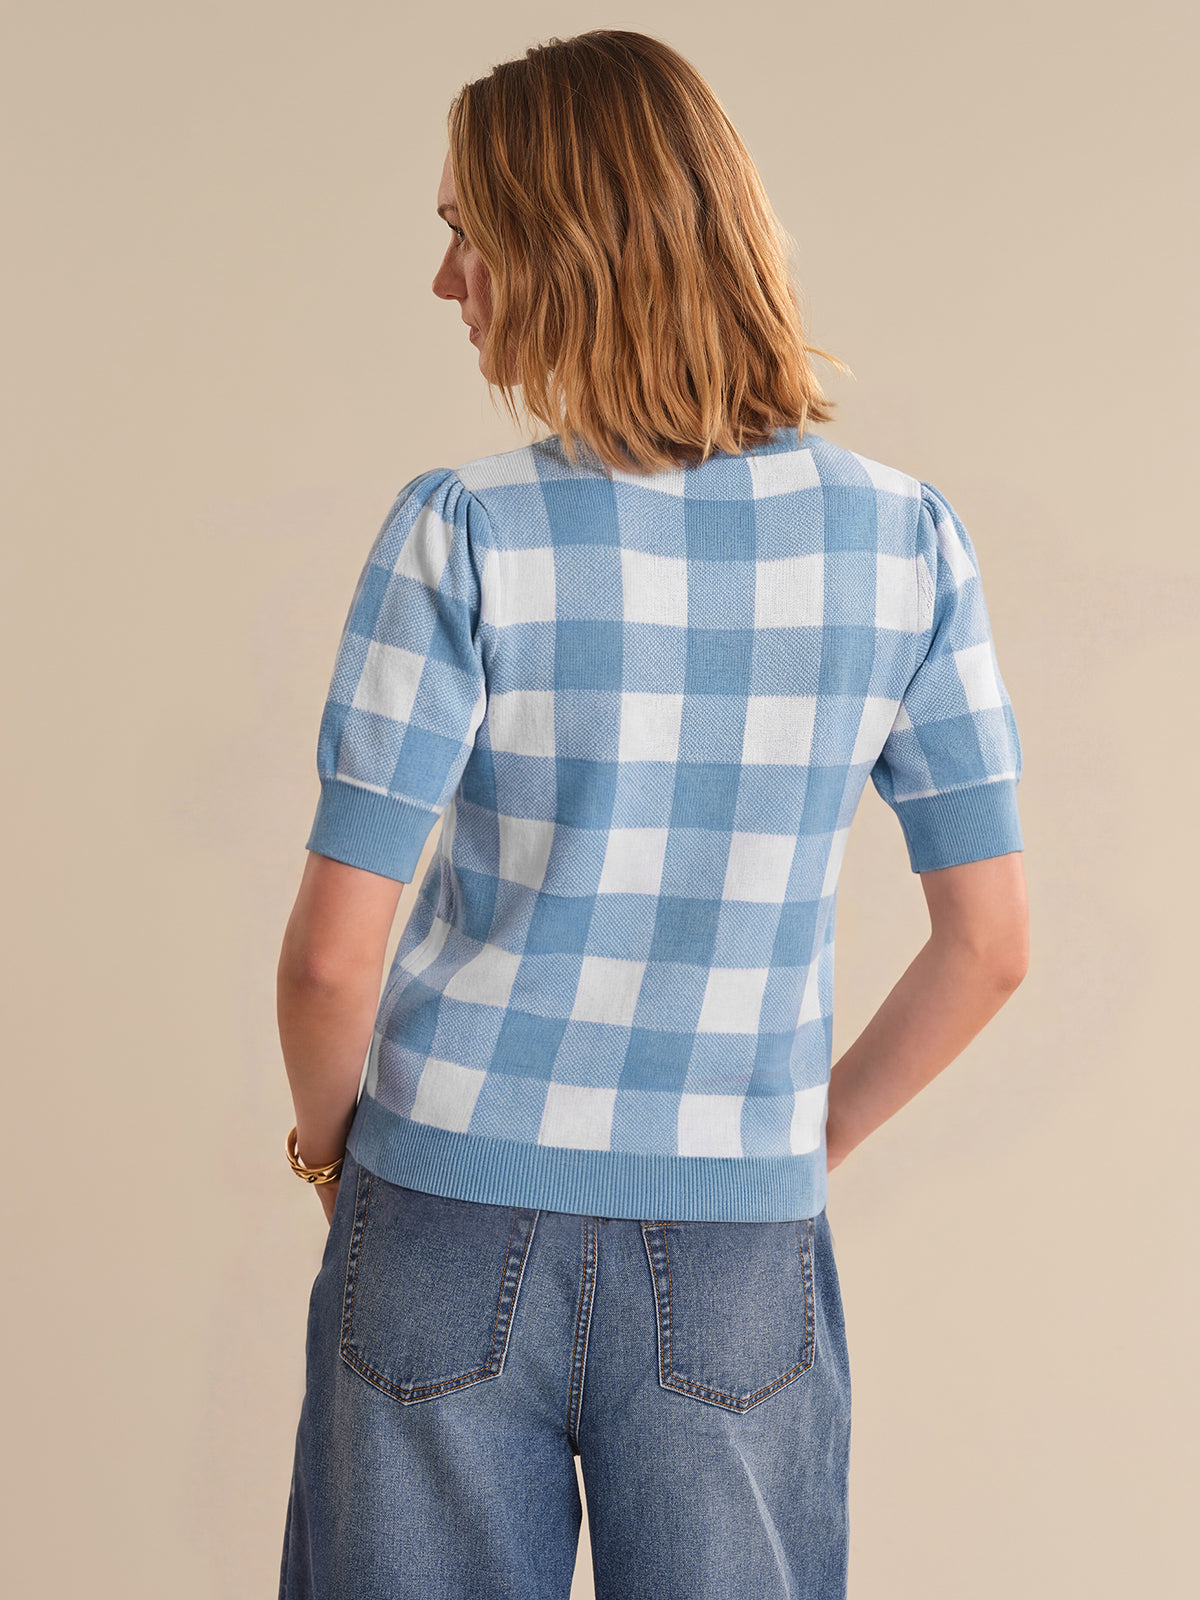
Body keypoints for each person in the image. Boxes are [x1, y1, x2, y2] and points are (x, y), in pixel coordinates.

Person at [275, 28, 1029, 1600]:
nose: (444, 281)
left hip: (443, 1202)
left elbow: (333, 961)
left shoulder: (464, 530)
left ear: (566, 246)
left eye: (468, 234)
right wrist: (797, 1144)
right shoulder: (902, 543)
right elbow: (990, 944)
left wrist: (336, 1161)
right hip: (738, 1234)